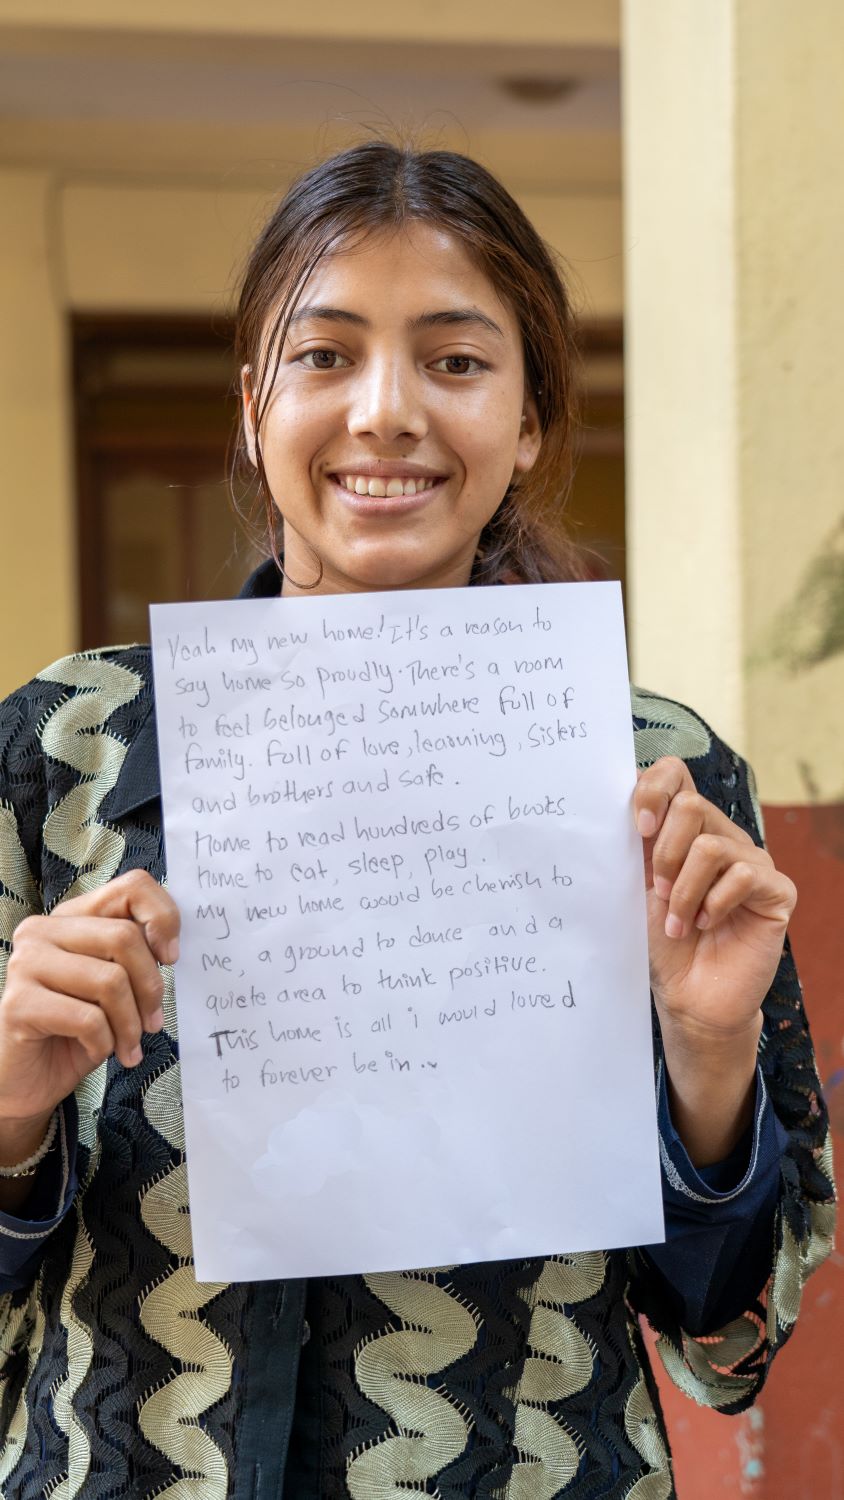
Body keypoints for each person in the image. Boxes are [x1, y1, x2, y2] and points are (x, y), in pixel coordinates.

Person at [0, 143, 834, 1499]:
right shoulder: (54, 755)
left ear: (530, 425)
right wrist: (12, 1114)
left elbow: (730, 1335)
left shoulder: (659, 780)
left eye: (455, 363)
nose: (386, 414)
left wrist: (710, 1053)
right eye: (326, 357)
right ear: (254, 405)